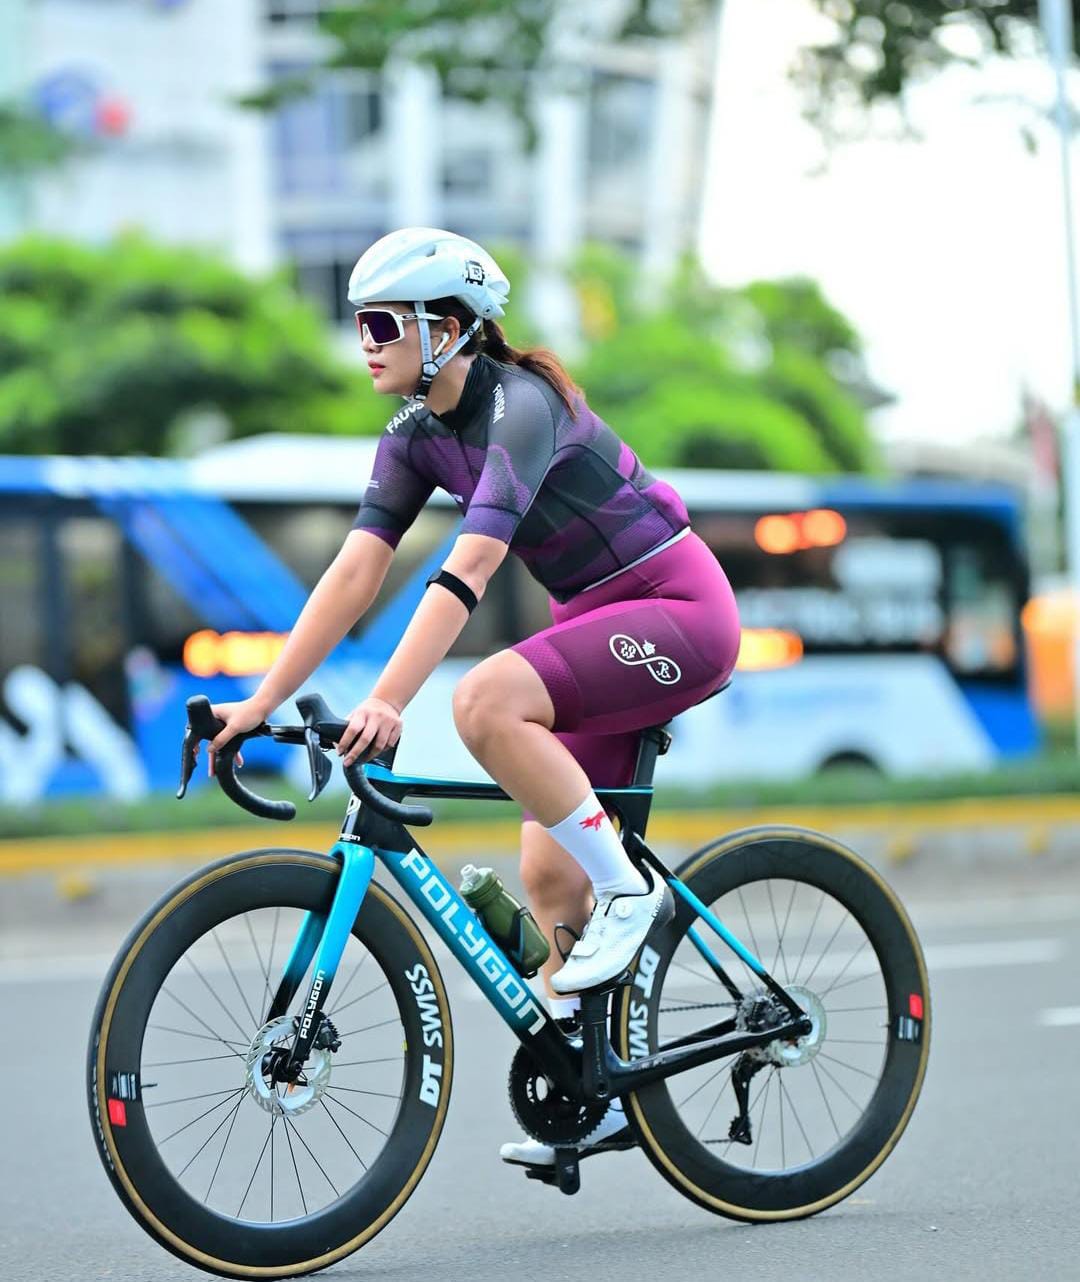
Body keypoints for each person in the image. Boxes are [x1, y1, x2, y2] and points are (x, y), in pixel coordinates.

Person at [206, 227, 742, 1169]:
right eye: (358, 323)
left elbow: (472, 568)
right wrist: (259, 701)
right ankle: (600, 1092)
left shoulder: (521, 407)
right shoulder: (414, 435)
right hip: (597, 620)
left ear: (448, 328)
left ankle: (631, 891)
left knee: (486, 700)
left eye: (382, 323)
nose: (365, 341)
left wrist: (388, 700)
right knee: (548, 876)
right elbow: (354, 574)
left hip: (678, 609)